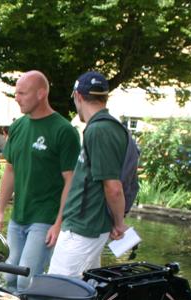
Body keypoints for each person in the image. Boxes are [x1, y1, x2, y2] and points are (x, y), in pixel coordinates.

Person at [0, 70, 80, 291]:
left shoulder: (63, 130)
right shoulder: (19, 126)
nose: (17, 98)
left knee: (26, 281)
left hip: (44, 219)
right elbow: (10, 170)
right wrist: (0, 210)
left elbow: (71, 181)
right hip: (19, 217)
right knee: (9, 277)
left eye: (23, 93)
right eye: (16, 93)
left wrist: (58, 223)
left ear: (41, 94)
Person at [47, 71, 127, 278]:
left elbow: (113, 187)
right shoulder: (101, 127)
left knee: (57, 292)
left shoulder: (100, 130)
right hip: (85, 225)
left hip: (83, 228)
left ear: (78, 96)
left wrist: (119, 223)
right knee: (86, 290)